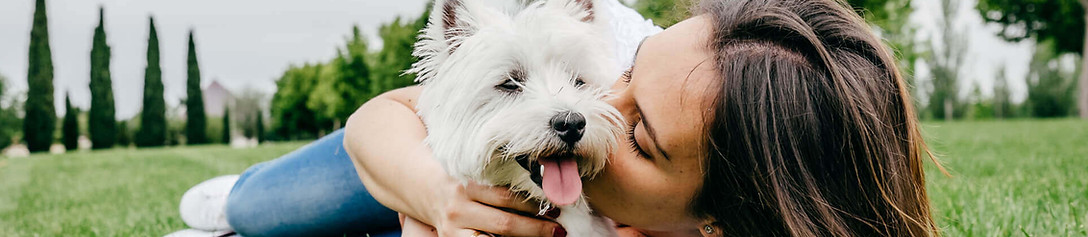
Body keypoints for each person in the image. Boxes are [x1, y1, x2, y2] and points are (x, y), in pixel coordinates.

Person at [188, 0, 941, 236]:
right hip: (421, 155)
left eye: (640, 134)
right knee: (258, 210)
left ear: (717, 221)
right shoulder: (599, 42)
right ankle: (235, 197)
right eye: (627, 75)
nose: (594, 109)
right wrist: (432, 193)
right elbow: (379, 120)